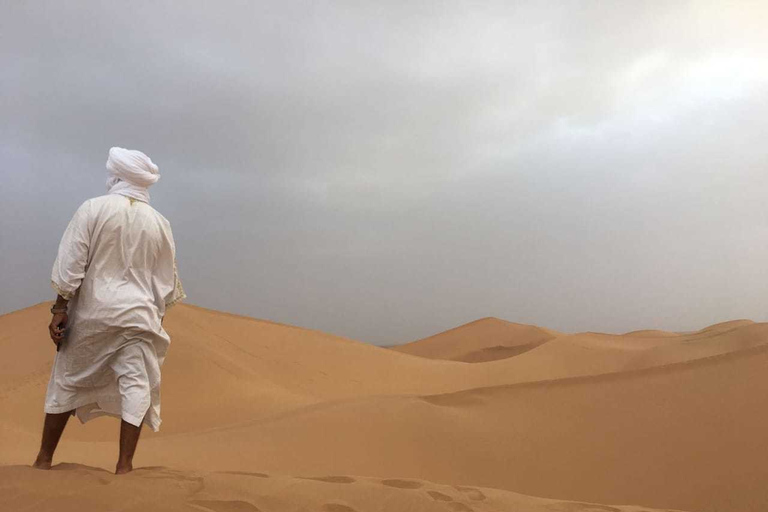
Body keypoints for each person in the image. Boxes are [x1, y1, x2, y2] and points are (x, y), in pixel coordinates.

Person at [32, 147, 185, 475]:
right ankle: (124, 466)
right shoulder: (160, 223)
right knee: (136, 384)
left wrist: (60, 308)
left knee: (68, 380)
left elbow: (72, 261)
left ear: (117, 177)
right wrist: (155, 316)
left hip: (93, 315)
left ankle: (44, 460)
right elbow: (166, 280)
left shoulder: (93, 209)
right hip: (139, 317)